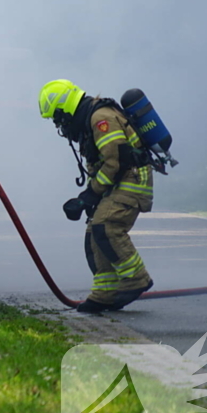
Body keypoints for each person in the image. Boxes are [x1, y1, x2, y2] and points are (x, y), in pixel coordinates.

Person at [38, 79, 154, 313]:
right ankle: (105, 293)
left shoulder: (101, 118)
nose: (58, 125)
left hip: (132, 180)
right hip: (118, 182)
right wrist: (88, 199)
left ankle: (136, 279)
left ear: (65, 108)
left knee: (107, 226)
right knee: (94, 232)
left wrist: (90, 195)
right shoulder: (89, 120)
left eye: (57, 118)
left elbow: (115, 161)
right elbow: (99, 165)